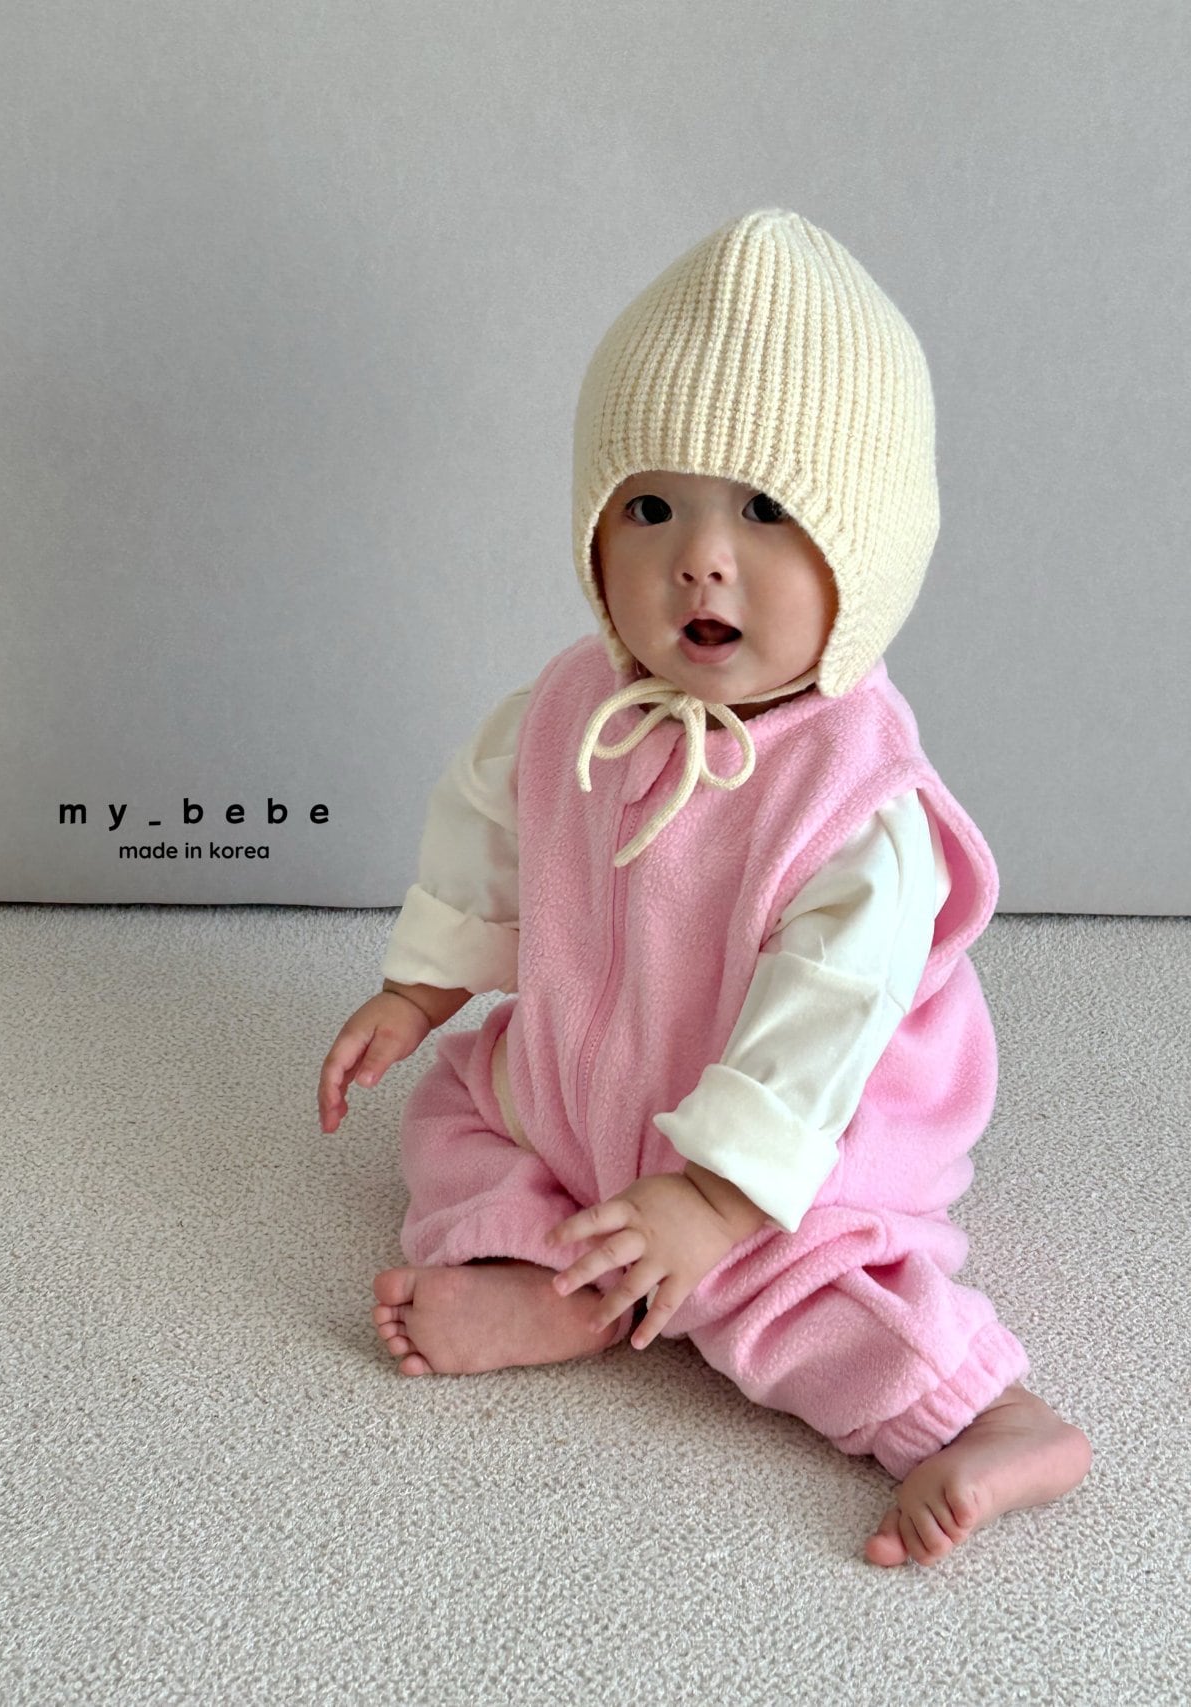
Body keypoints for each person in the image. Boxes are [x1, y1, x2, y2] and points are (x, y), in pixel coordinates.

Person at [318, 208, 1092, 1568]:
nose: (701, 556)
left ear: (866, 555)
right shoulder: (574, 705)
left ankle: (988, 1416)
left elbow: (825, 1025)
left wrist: (715, 1199)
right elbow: (490, 826)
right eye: (652, 507)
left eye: (767, 512)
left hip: (787, 1135)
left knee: (784, 1297)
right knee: (458, 1107)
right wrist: (421, 987)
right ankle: (551, 1275)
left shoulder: (855, 800)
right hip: (586, 1076)